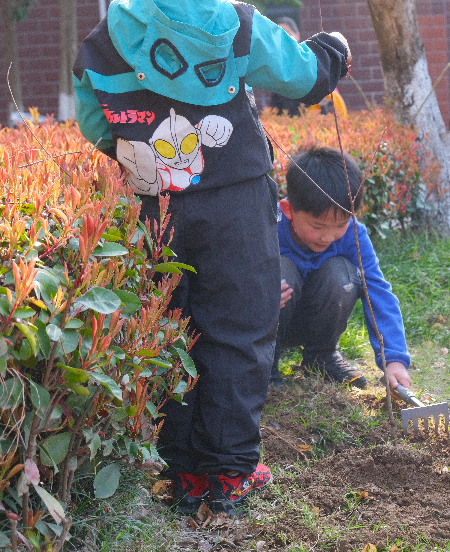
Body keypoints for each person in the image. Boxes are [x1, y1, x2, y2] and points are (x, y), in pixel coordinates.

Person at [73, 0, 350, 515]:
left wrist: (143, 150)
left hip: (155, 207)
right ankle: (228, 469)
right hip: (236, 205)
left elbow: (94, 124)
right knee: (239, 330)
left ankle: (180, 468)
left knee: (169, 328)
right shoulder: (235, 22)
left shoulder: (104, 36)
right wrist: (334, 52)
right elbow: (305, 76)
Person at [272, 146, 411, 392]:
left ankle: (321, 357)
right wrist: (257, 295)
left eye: (341, 224)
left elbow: (376, 290)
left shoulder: (354, 235)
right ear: (289, 210)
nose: (328, 236)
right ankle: (265, 365)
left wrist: (394, 359)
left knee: (343, 274)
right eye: (317, 226)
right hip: (270, 321)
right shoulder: (269, 227)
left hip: (316, 320)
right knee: (276, 272)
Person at [270, 17, 347, 117]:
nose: (284, 38)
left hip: (314, 120)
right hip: (288, 124)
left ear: (297, 35)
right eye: (279, 35)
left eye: (287, 33)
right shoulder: (276, 66)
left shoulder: (308, 56)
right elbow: (275, 105)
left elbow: (329, 86)